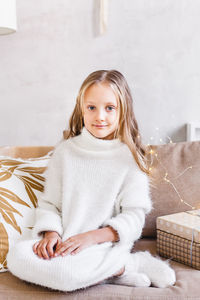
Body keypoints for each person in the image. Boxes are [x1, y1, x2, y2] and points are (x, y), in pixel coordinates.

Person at [7, 70, 176, 292]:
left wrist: (91, 238)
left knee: (65, 276)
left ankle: (131, 262)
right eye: (91, 108)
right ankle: (115, 272)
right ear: (81, 109)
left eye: (109, 108)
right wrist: (51, 234)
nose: (100, 117)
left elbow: (134, 216)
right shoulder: (65, 152)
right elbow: (50, 205)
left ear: (122, 110)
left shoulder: (129, 159)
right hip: (65, 246)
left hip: (103, 247)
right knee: (17, 257)